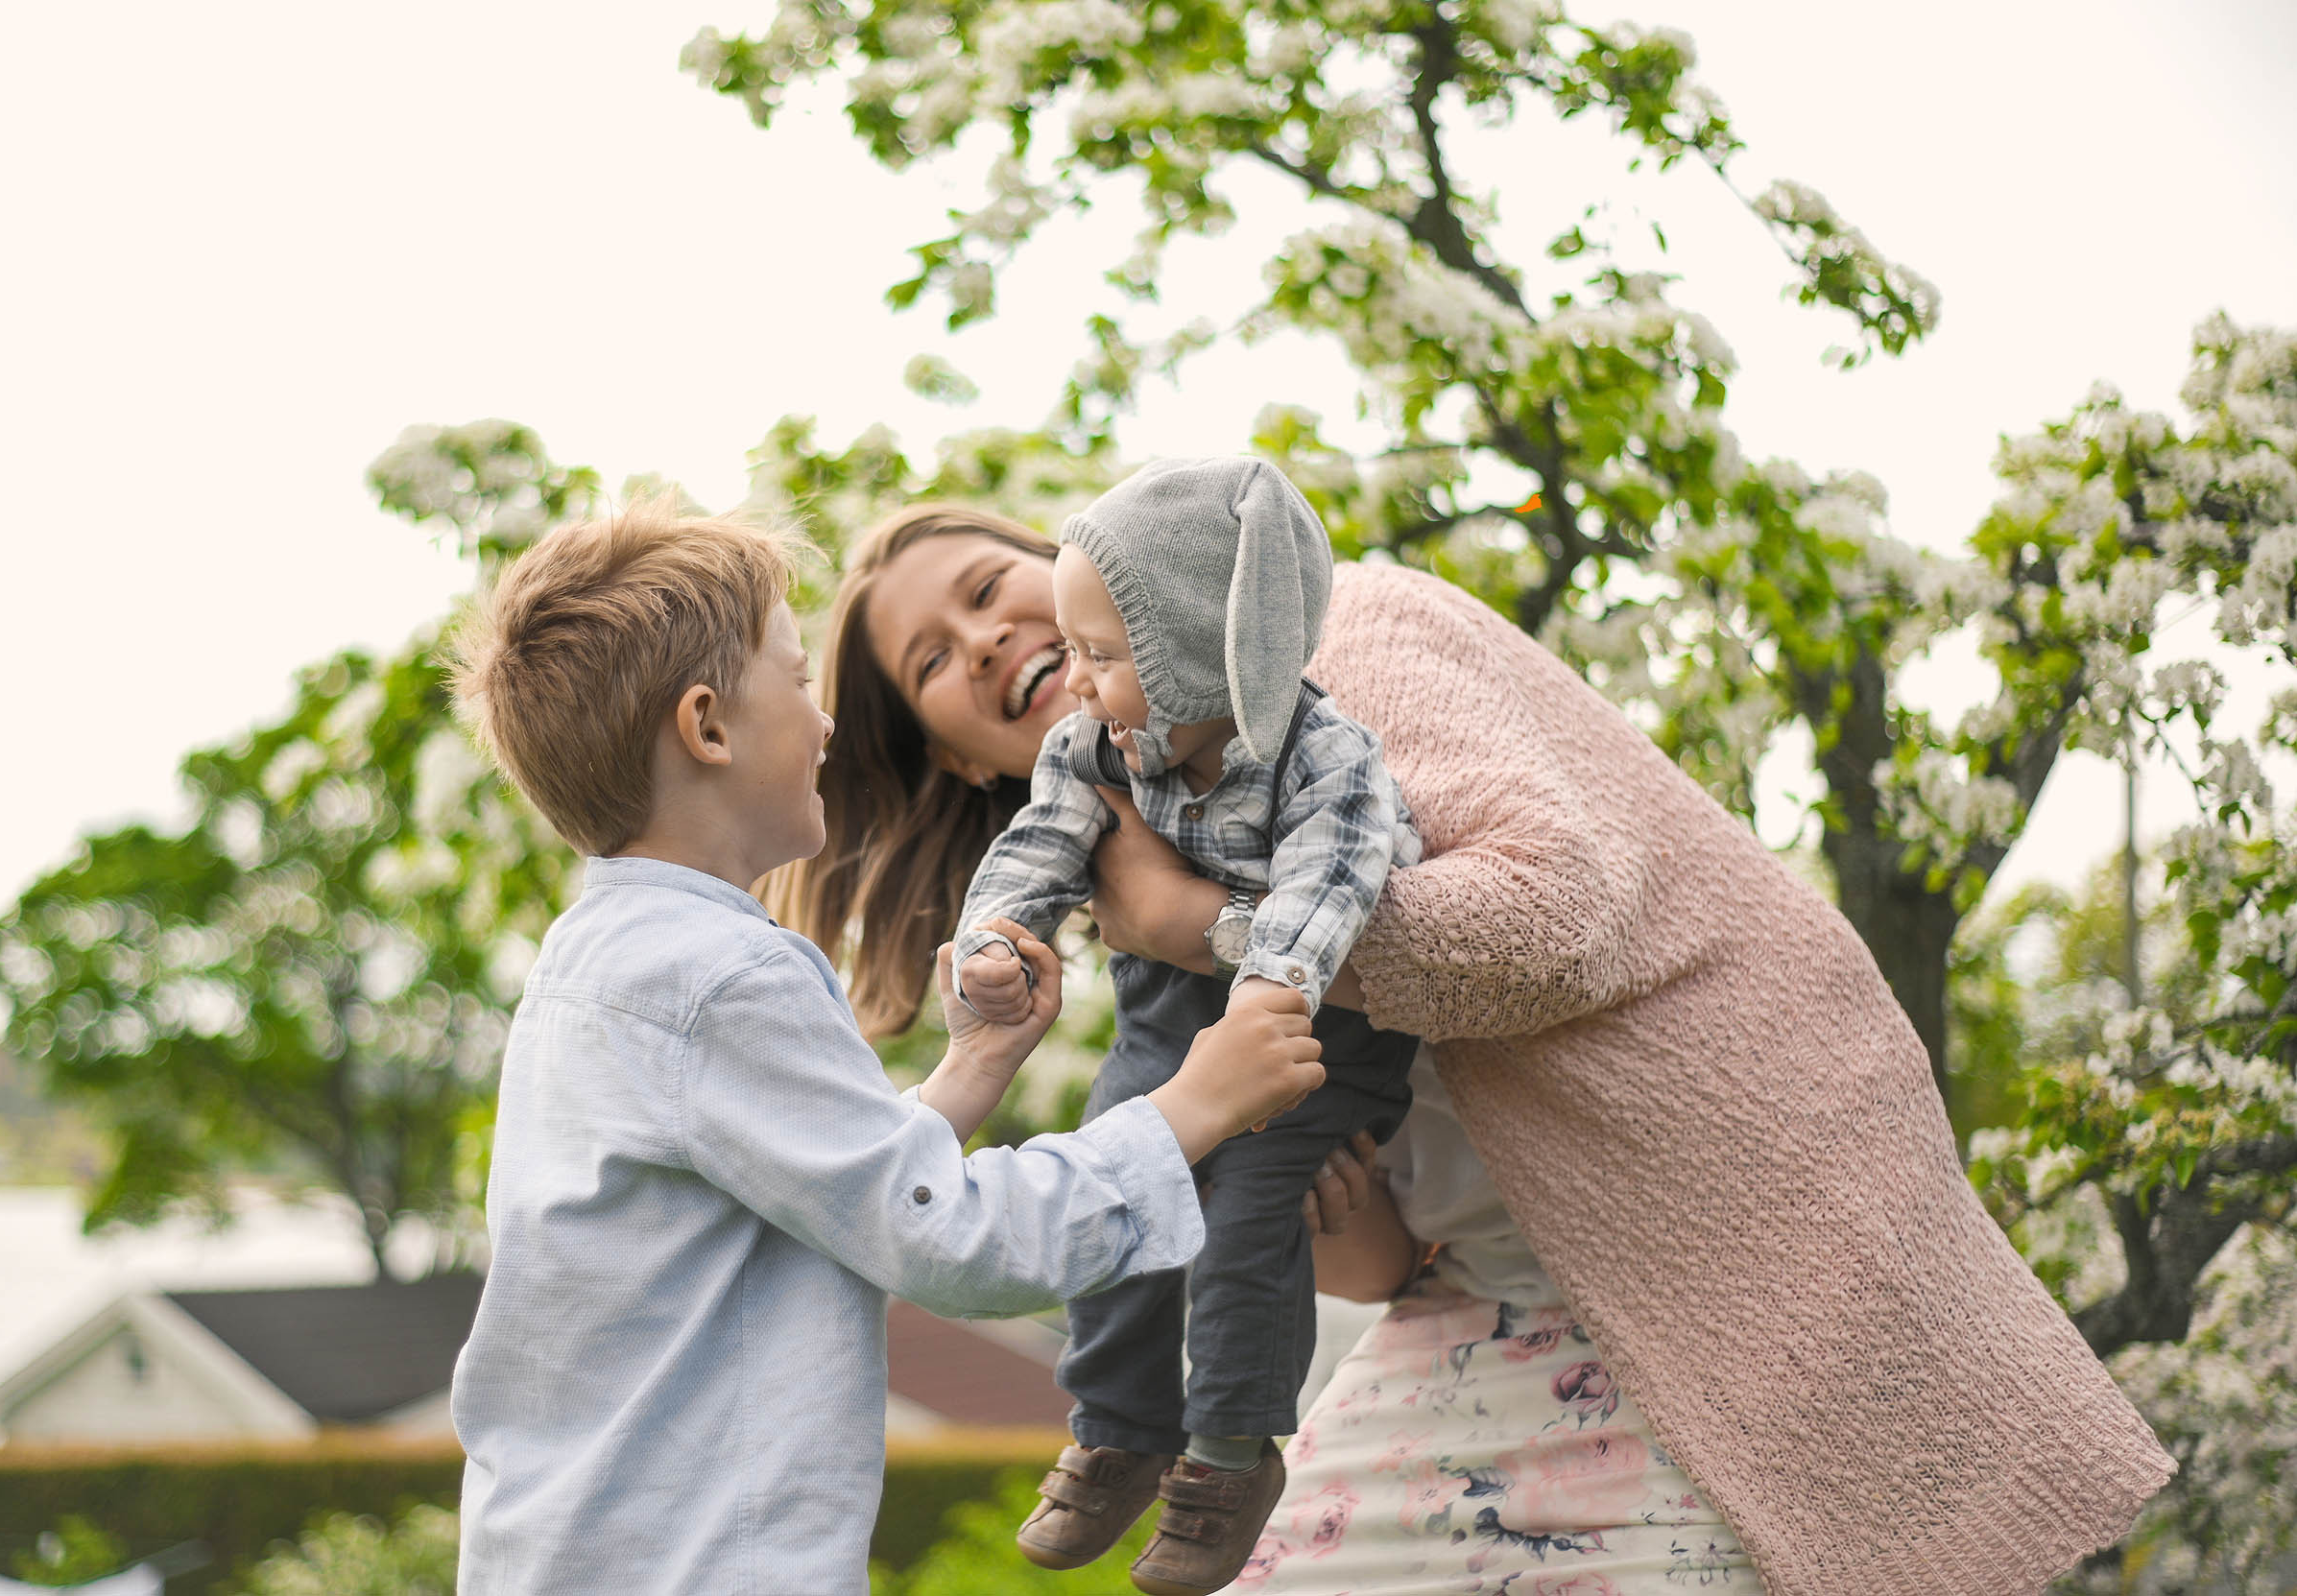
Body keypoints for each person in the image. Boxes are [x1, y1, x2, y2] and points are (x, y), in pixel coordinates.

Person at [774, 500, 2176, 1596]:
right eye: (933, 664)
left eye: (983, 589)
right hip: (1504, 1293)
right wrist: (1358, 1231)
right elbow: (1386, 1206)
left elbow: (1550, 919)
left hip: (1724, 1245)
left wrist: (1197, 921)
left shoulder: (1333, 636)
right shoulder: (1119, 840)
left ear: (1080, 569)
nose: (982, 644)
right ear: (960, 758)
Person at [442, 499, 1328, 1596]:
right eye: (797, 680)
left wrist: (969, 1070)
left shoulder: (604, 964)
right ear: (709, 727)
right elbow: (939, 1238)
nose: (823, 727)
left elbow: (817, 1188)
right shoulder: (719, 978)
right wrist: (1196, 1102)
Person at [947, 458, 1422, 1596]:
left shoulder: (1329, 756)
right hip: (1167, 1024)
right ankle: (1118, 1424)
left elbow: (1331, 883)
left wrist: (1263, 989)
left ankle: (1227, 1452)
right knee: (1113, 1178)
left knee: (1248, 1216)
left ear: (1204, 654)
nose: (1075, 680)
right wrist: (1001, 935)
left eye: (1104, 658)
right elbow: (1041, 844)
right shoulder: (1090, 744)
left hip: (1308, 1037)